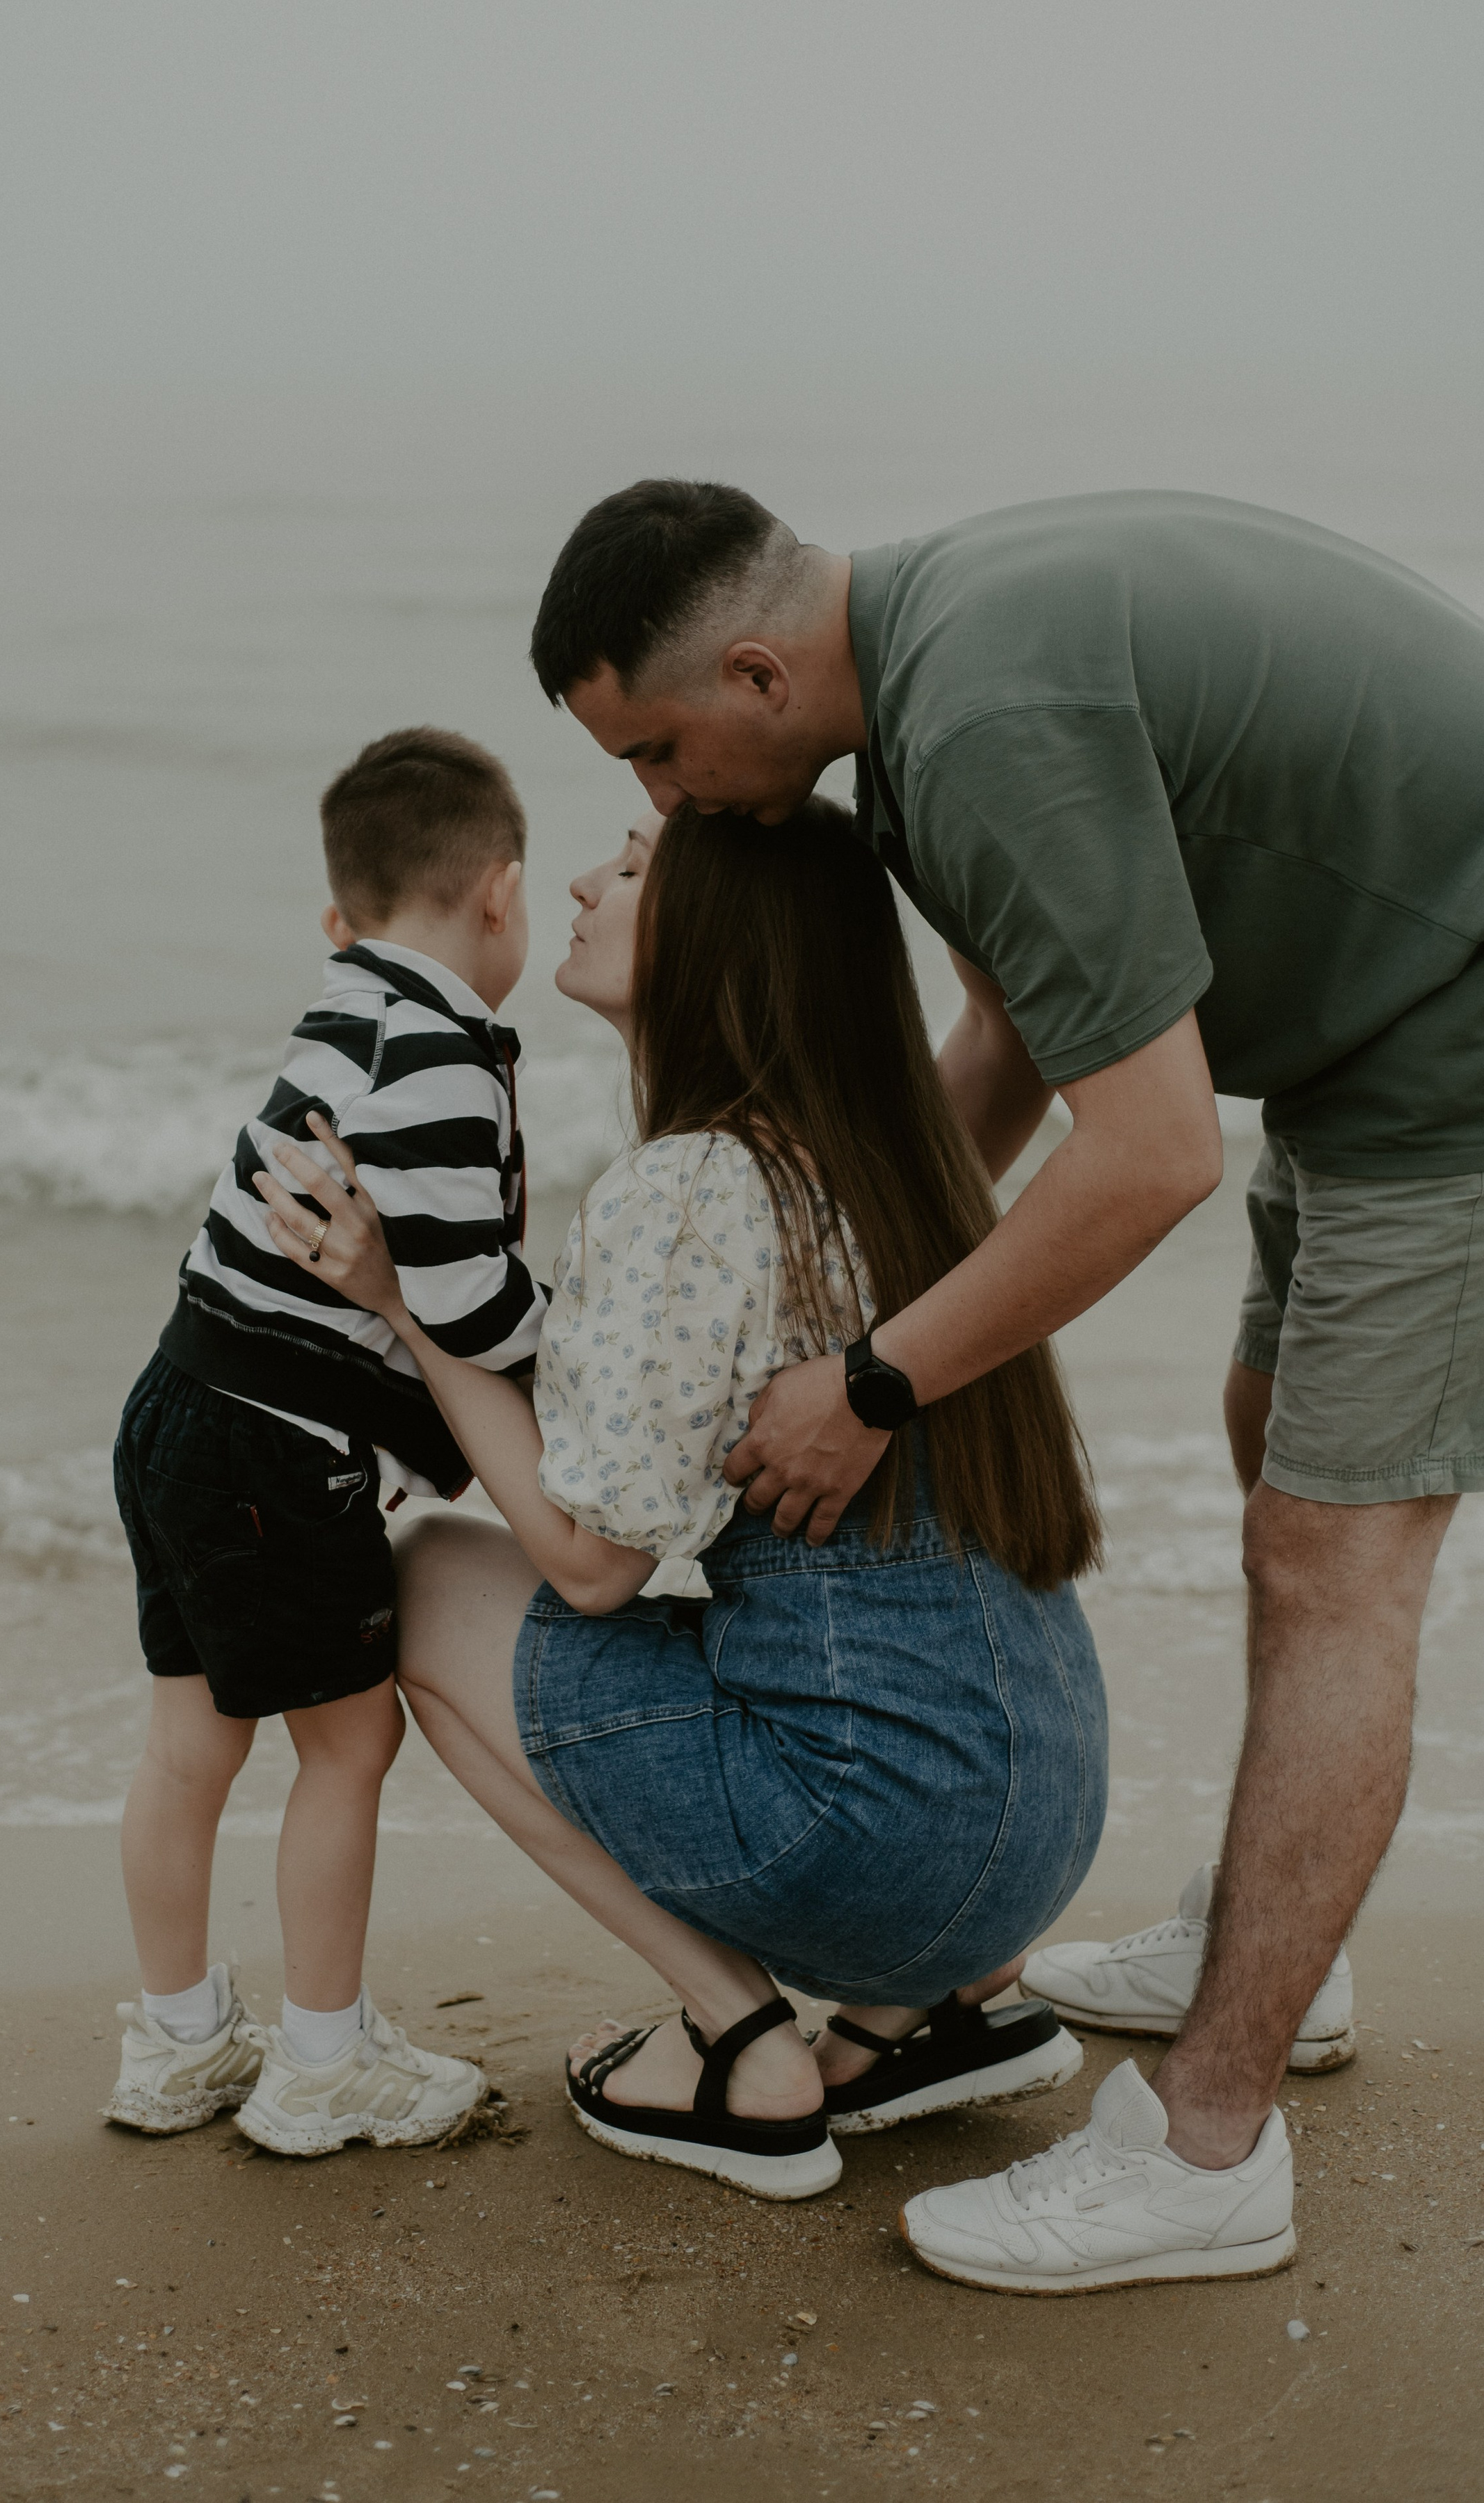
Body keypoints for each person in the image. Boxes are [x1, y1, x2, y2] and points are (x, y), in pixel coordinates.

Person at [527, 477, 1484, 2289]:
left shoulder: (978, 721)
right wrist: (811, 1274)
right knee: (1272, 1448)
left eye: (656, 754)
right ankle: (1269, 1940)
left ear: (748, 671)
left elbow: (1150, 1156)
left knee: (1337, 1562)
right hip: (1385, 1030)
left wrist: (872, 1382)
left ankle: (1210, 2146)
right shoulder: (922, 686)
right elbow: (1018, 1043)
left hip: (1455, 1044)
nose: (656, 807)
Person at [254, 797, 1107, 2204]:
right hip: (1040, 1836)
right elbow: (997, 1024)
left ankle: (743, 2039)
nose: (583, 882)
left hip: (875, 1856)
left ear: (726, 935)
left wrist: (401, 1311)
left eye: (635, 864)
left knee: (422, 1581)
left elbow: (589, 1567)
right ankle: (928, 2014)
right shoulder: (906, 1158)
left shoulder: (692, 1191)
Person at [106, 727, 549, 2157]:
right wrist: (579, 1340)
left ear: (335, 919)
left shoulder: (343, 1008)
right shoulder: (437, 1058)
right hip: (272, 1449)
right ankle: (320, 2060)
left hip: (178, 1402)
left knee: (189, 1742)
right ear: (501, 893)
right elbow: (473, 1303)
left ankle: (175, 2042)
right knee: (348, 1744)